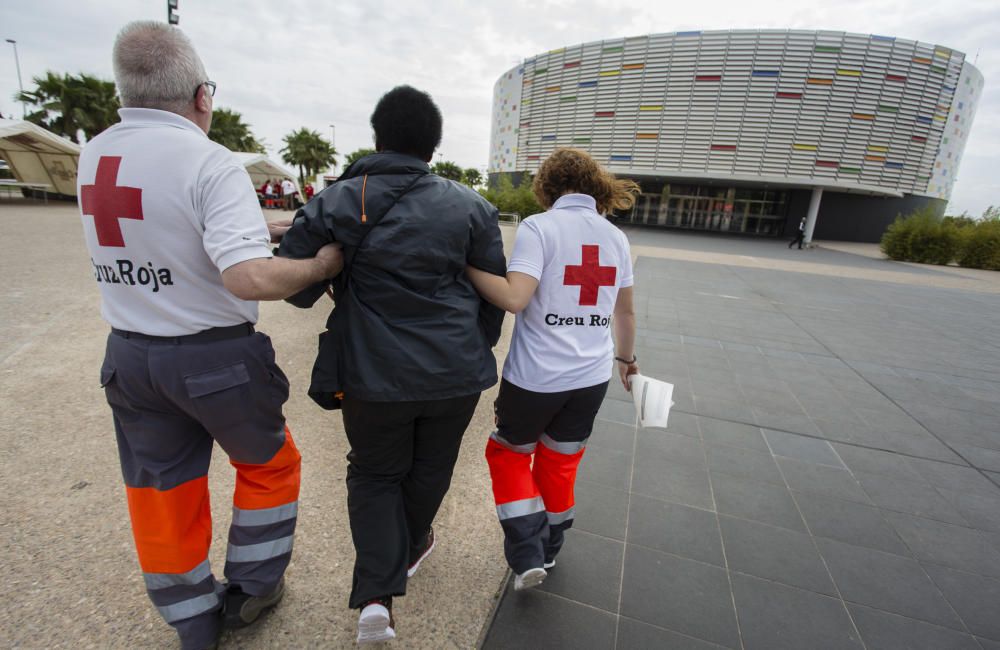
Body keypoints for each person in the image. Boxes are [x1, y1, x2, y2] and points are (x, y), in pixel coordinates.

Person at [77, 21, 343, 650]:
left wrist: (268, 223)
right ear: (202, 95)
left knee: (160, 489)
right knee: (269, 467)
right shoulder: (209, 160)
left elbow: (168, 223)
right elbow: (248, 277)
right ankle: (253, 587)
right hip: (216, 360)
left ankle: (192, 618)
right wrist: (322, 265)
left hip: (131, 358)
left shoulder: (97, 154)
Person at [278, 85, 506, 644]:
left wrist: (333, 272)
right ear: (434, 144)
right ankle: (406, 548)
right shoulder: (471, 204)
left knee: (376, 472)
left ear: (377, 137)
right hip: (455, 370)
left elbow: (292, 283)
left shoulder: (337, 199)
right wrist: (472, 349)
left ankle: (377, 598)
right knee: (432, 467)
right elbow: (493, 296)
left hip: (372, 371)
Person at [465, 147, 639, 591]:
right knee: (561, 462)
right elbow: (625, 314)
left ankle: (525, 554)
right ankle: (551, 547)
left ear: (546, 186)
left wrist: (465, 266)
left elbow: (514, 298)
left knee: (508, 454)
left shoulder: (539, 228)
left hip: (536, 378)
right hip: (592, 377)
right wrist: (627, 361)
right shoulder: (616, 238)